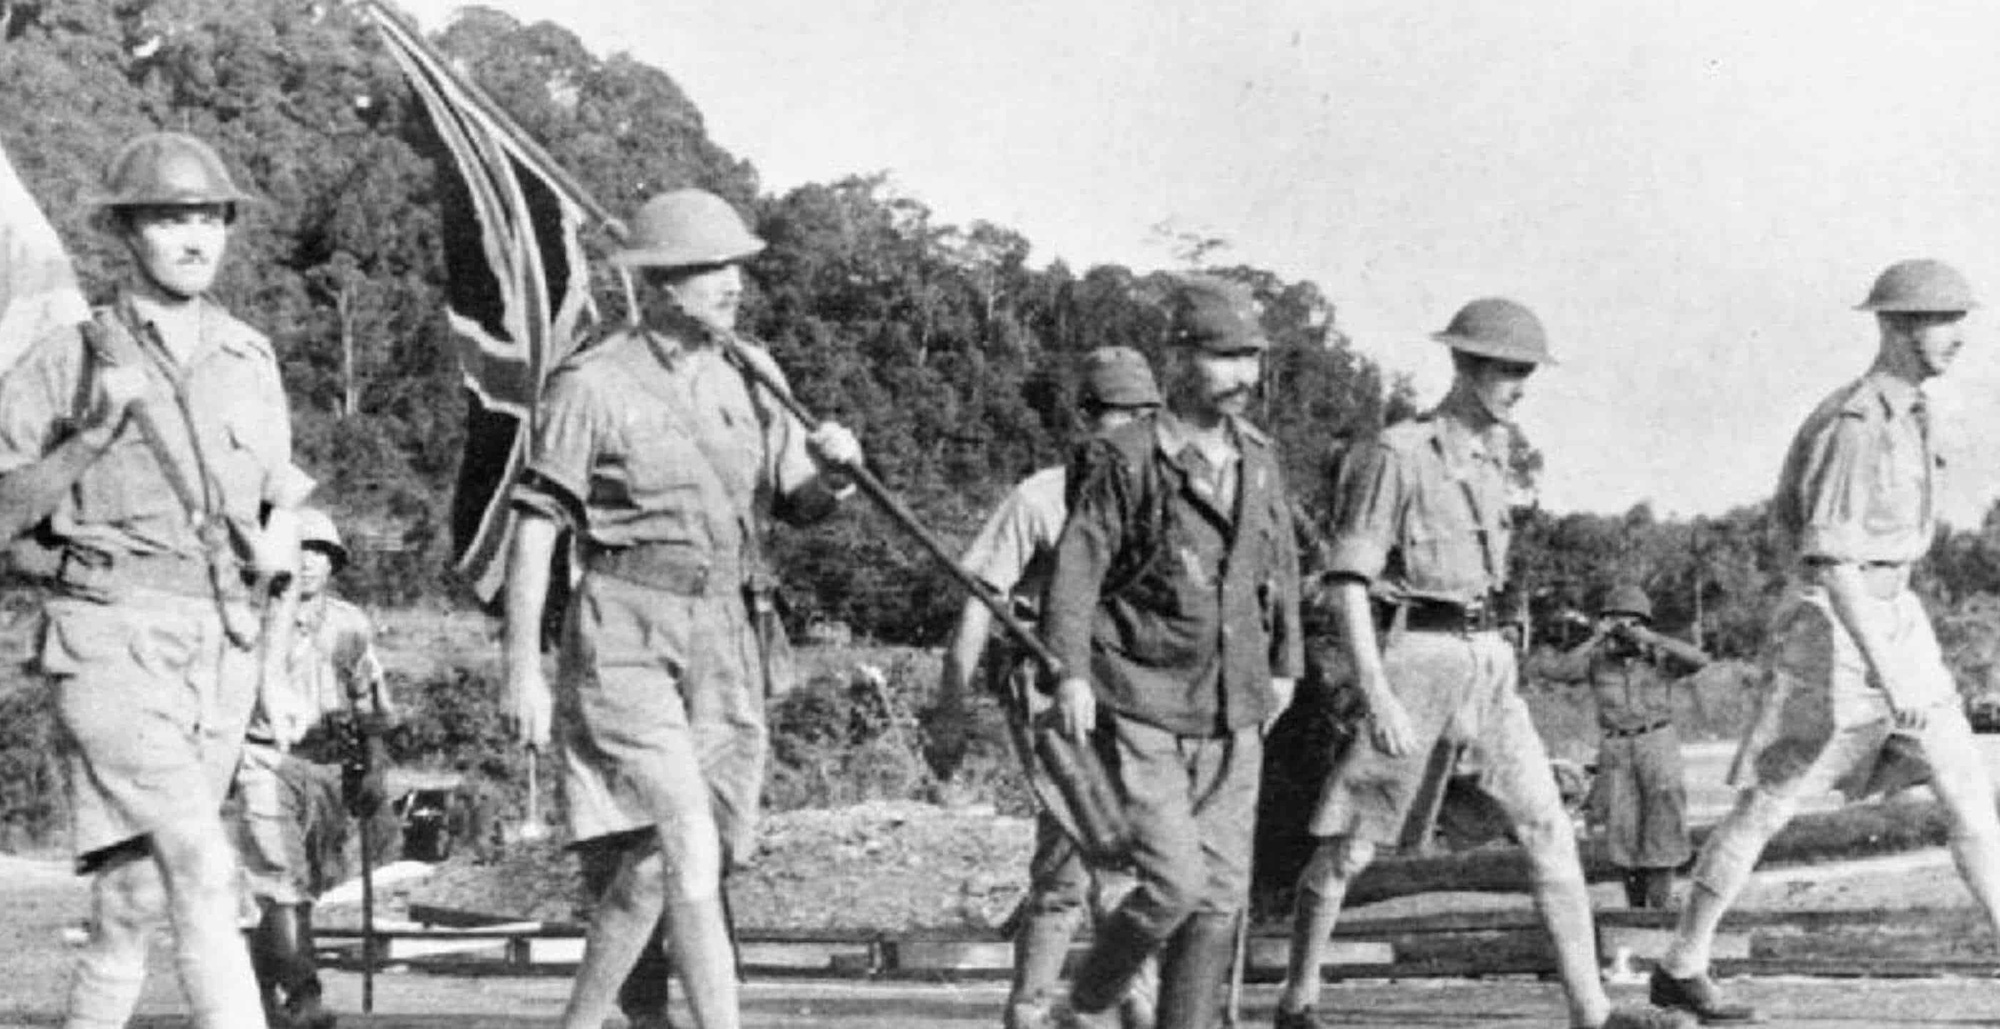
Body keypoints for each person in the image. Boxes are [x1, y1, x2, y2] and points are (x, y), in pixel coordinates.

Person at [503, 187, 864, 1029]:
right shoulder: (592, 383)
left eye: (736, 265)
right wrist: (521, 666)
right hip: (626, 627)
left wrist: (836, 472)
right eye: (709, 268)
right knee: (683, 840)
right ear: (659, 282)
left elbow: (797, 500)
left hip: (730, 630)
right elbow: (535, 529)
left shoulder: (755, 372)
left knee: (680, 859)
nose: (733, 282)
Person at [1274, 299, 1669, 1029]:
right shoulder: (1396, 454)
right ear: (1463, 365)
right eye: (1506, 371)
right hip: (1417, 661)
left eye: (1527, 372)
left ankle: (1593, 1011)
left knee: (1547, 828)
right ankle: (1297, 999)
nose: (1520, 387)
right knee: (1351, 846)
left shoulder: (1495, 456)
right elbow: (1348, 583)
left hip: (1489, 666)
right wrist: (1378, 694)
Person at [0, 131, 312, 1029]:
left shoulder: (250, 356)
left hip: (222, 645)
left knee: (135, 893)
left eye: (209, 217)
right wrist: (93, 434)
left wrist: (277, 665)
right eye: (170, 218)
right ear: (125, 232)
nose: (194, 237)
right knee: (206, 867)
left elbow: (277, 518)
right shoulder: (69, 356)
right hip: (110, 635)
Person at [1648, 260, 2000, 1024]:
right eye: (1941, 320)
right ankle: (1681, 961)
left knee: (1969, 794)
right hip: (1837, 627)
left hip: (1897, 612)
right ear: (1896, 326)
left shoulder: (1912, 415)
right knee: (1771, 803)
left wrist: (1898, 648)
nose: (1959, 335)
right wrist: (1884, 669)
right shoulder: (1853, 423)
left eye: (1960, 318)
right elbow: (1828, 557)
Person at [1040, 275, 1302, 1029]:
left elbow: (1281, 564)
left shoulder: (1258, 458)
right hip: (1143, 698)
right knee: (1173, 886)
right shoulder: (1126, 457)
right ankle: (1085, 1003)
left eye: (1251, 358)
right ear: (1180, 356)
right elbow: (1078, 569)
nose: (1243, 375)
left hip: (1234, 705)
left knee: (1220, 898)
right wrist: (1071, 673)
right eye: (1224, 357)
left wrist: (1286, 663)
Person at [934, 346, 1163, 1029]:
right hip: (1051, 683)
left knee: (1130, 858)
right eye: (1118, 418)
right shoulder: (1041, 497)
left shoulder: (1165, 497)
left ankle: (1133, 1004)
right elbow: (979, 603)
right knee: (1080, 849)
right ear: (1087, 419)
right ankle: (1037, 1009)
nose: (1132, 434)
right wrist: (952, 709)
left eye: (1144, 419)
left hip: (1137, 686)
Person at [234, 507, 396, 1029]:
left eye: (320, 552)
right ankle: (305, 996)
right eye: (298, 549)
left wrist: (374, 769)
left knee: (303, 887)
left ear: (333, 563)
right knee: (279, 875)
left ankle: (263, 993)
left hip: (328, 767)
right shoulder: (249, 617)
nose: (307, 562)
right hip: (264, 758)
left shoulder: (349, 624)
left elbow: (370, 703)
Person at [1540, 584, 1710, 909]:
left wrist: (1651, 639)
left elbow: (1700, 660)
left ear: (1644, 623)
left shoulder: (1660, 657)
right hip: (1616, 747)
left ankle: (1660, 906)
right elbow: (1559, 671)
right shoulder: (1596, 660)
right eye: (1616, 621)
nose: (1624, 631)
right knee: (1622, 827)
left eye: (1631, 622)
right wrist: (1596, 638)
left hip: (1657, 742)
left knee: (1664, 823)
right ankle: (1635, 908)